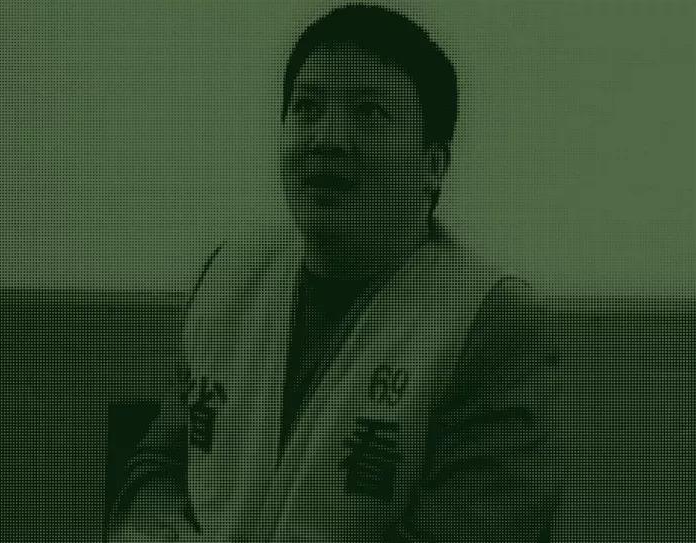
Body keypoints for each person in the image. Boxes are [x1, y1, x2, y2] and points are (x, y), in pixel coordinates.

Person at [108, 3, 566, 542]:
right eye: (307, 107)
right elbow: (163, 453)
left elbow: (482, 526)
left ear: (434, 163)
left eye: (368, 112)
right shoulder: (230, 281)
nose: (328, 138)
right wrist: (150, 512)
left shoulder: (488, 317)